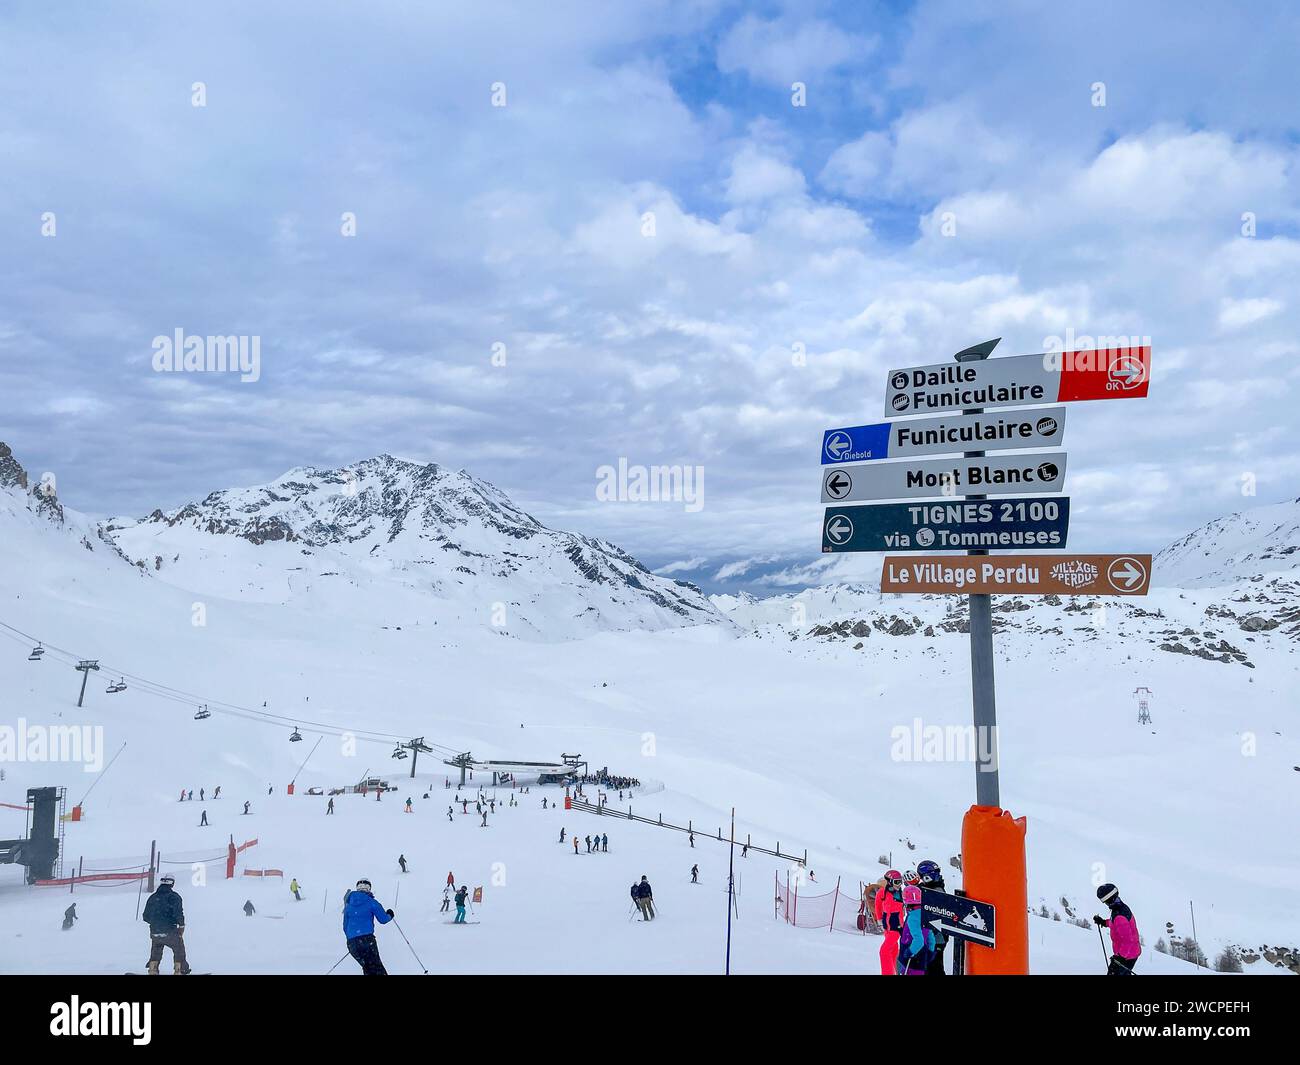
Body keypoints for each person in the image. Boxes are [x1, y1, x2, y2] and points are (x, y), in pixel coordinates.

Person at [142, 874, 190, 975]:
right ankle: (180, 970)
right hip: (170, 930)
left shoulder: (153, 897)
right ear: (172, 884)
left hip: (154, 932)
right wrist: (181, 925)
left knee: (156, 947)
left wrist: (156, 923)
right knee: (178, 947)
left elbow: (145, 916)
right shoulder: (174, 897)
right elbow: (178, 913)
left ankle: (153, 969)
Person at [343, 879, 393, 975]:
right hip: (367, 940)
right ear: (369, 889)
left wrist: (353, 939)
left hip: (352, 943)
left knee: (367, 968)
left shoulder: (348, 905)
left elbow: (345, 927)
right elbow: (383, 919)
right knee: (377, 969)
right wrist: (390, 915)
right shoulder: (371, 902)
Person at [1094, 883, 1141, 974]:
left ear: (1109, 899)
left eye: (1104, 901)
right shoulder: (1119, 907)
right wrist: (1104, 922)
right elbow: (1116, 924)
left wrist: (1119, 958)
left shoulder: (1119, 915)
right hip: (1128, 953)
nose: (1105, 904)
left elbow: (1128, 941)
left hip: (1127, 955)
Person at [916, 859, 947, 975]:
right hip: (933, 936)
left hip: (937, 937)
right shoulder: (930, 888)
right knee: (930, 966)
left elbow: (936, 915)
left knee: (934, 967)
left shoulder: (936, 891)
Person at [896, 885, 934, 975]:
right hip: (922, 955)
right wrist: (930, 952)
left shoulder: (913, 917)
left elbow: (919, 940)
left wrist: (910, 952)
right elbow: (930, 937)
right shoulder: (925, 914)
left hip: (912, 957)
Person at [873, 870, 905, 976]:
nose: (899, 885)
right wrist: (879, 920)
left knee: (884, 951)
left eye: (901, 882)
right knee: (893, 950)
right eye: (897, 882)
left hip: (896, 927)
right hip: (886, 926)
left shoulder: (901, 893)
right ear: (889, 881)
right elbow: (877, 905)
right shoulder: (882, 893)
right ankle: (898, 972)